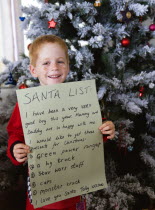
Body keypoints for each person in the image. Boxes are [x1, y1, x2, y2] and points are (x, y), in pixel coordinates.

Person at [7, 35, 115, 210]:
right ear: (33, 70)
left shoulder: (80, 98)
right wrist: (16, 148)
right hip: (43, 188)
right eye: (46, 63)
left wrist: (106, 128)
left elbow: (93, 128)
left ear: (68, 66)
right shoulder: (26, 104)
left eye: (60, 61)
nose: (54, 68)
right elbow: (15, 134)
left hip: (76, 186)